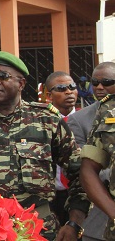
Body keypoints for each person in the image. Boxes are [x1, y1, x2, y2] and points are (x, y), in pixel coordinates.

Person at [0, 51, 88, 240]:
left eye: (3, 76)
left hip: (36, 227)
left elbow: (80, 174)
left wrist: (74, 222)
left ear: (21, 83)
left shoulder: (47, 120)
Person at [68, 62, 115, 241]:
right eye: (95, 83)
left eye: (106, 82)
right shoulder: (108, 111)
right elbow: (87, 169)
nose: (99, 87)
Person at [45, 71, 80, 225]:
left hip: (78, 193)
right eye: (61, 88)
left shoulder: (88, 118)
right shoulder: (42, 121)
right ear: (49, 95)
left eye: (72, 87)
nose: (68, 91)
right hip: (50, 196)